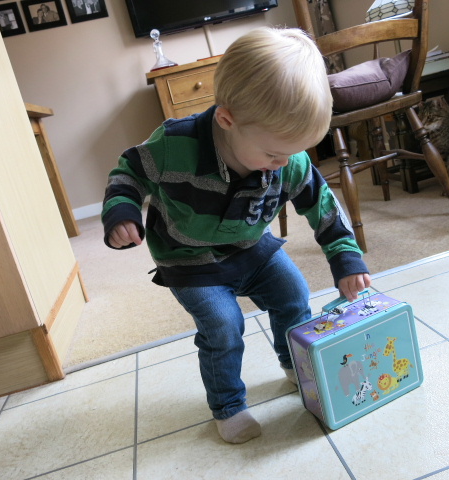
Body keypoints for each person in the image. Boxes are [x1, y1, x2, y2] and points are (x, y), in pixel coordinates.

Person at [102, 27, 371, 444]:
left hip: (252, 246)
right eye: (273, 154)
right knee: (224, 326)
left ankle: (295, 365)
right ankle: (227, 405)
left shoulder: (288, 160)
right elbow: (129, 172)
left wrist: (345, 257)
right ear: (227, 120)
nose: (283, 163)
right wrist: (122, 211)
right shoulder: (174, 145)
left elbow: (324, 207)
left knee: (294, 296)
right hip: (189, 259)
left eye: (292, 153)